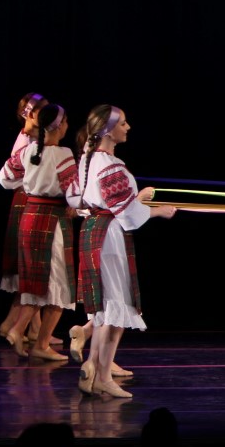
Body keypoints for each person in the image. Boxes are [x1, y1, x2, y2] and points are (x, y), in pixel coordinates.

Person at [70, 105, 177, 398]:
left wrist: (136, 199)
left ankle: (96, 372)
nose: (127, 128)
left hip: (95, 230)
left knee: (108, 308)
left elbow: (85, 198)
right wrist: (158, 211)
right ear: (108, 130)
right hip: (108, 236)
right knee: (114, 307)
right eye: (123, 123)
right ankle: (103, 377)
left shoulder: (89, 160)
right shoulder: (110, 165)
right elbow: (126, 213)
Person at [0, 104, 79, 362]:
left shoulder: (28, 151)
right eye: (66, 122)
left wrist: (32, 184)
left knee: (36, 281)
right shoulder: (63, 154)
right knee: (59, 285)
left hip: (29, 217)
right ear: (59, 126)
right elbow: (75, 194)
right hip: (52, 220)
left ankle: (21, 330)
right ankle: (38, 342)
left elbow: (4, 178)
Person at [0, 92, 48, 346]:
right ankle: (14, 324)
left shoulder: (37, 138)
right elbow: (16, 176)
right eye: (42, 110)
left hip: (29, 200)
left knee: (31, 269)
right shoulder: (26, 141)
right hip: (27, 201)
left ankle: (33, 327)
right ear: (29, 113)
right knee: (29, 268)